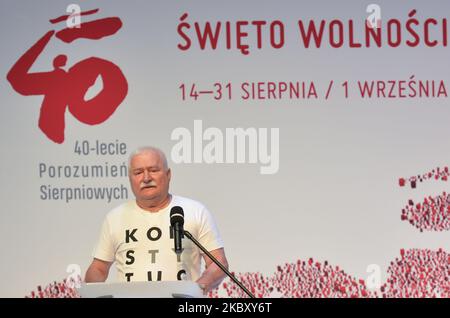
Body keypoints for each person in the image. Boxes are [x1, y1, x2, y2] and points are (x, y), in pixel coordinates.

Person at [84, 146, 228, 294]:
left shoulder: (195, 211)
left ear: (168, 174)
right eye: (138, 172)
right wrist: (91, 293)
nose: (146, 178)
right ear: (130, 178)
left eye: (153, 170)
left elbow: (218, 263)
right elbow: (98, 269)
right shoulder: (114, 218)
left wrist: (196, 290)